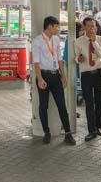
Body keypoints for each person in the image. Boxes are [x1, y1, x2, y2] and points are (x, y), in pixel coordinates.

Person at [32, 16, 75, 145]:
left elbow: (59, 59)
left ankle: (68, 133)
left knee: (62, 104)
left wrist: (63, 76)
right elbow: (36, 62)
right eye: (56, 26)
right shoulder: (37, 41)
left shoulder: (56, 39)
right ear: (49, 26)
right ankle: (46, 132)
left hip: (56, 76)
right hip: (43, 75)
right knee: (43, 105)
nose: (57, 29)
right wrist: (40, 79)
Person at [75, 17, 101, 141]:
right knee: (89, 103)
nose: (92, 28)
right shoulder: (78, 41)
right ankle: (91, 130)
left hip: (98, 73)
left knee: (99, 101)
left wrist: (94, 42)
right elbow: (76, 57)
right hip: (86, 74)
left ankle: (97, 127)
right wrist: (78, 59)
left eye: (94, 26)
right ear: (84, 27)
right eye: (89, 26)